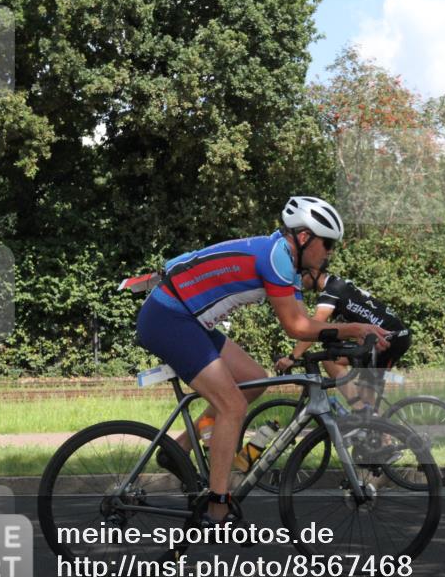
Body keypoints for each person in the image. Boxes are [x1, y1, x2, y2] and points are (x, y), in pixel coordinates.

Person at [135, 197, 390, 527]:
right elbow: (296, 327)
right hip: (169, 317)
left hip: (190, 319)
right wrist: (353, 328)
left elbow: (304, 324)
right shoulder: (276, 259)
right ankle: (217, 506)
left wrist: (340, 338)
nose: (329, 253)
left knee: (252, 378)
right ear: (303, 237)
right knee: (232, 407)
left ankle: (177, 449)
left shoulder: (286, 260)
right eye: (327, 244)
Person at [275, 268, 410, 407]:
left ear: (314, 273)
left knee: (330, 360)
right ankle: (366, 415)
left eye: (301, 275)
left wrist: (292, 357)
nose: (301, 281)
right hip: (393, 336)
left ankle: (361, 410)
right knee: (368, 404)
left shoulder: (331, 291)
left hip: (388, 338)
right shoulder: (338, 285)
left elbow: (313, 329)